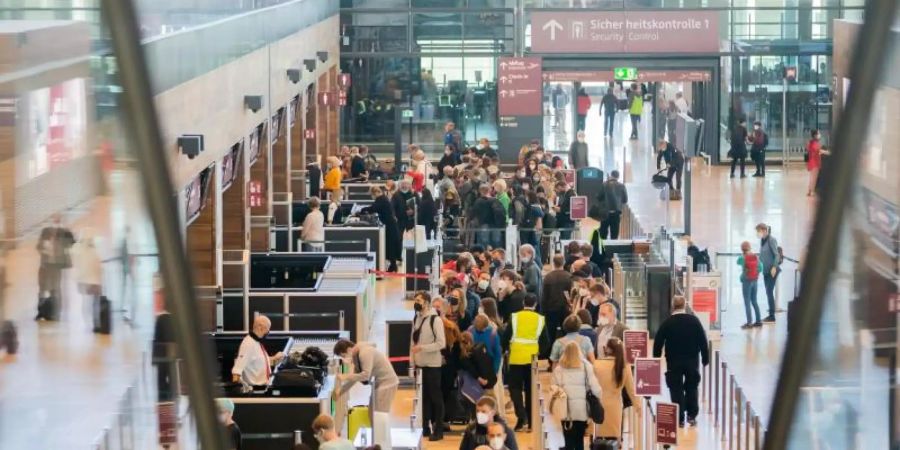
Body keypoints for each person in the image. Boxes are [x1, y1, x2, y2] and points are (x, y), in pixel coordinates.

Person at [652, 296, 710, 427]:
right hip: (692, 361)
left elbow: (658, 341)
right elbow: (702, 340)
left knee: (675, 388)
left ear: (672, 306)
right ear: (685, 305)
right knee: (692, 387)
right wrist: (705, 358)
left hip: (673, 362)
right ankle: (692, 415)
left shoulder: (667, 322)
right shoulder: (694, 321)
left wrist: (656, 357)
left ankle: (679, 418)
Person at [502, 294, 544, 431]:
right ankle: (531, 422)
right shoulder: (540, 319)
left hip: (516, 357)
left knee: (515, 389)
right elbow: (546, 341)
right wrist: (539, 352)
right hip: (532, 359)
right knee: (531, 391)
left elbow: (506, 336)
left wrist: (505, 349)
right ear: (536, 304)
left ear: (523, 303)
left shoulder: (514, 317)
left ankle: (521, 415)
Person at [552, 341, 602, 450]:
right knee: (579, 439)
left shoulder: (559, 369)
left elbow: (554, 388)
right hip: (581, 409)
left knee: (568, 439)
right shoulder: (586, 366)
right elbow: (595, 387)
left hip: (565, 409)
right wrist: (599, 396)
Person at [411, 294, 447, 440]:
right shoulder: (416, 318)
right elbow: (412, 342)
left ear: (426, 303)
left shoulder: (435, 320)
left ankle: (439, 429)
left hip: (433, 365)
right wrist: (412, 363)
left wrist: (423, 348)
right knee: (424, 397)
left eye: (418, 301)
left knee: (435, 398)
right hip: (420, 365)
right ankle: (425, 427)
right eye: (415, 300)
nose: (416, 303)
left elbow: (441, 343)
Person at [333, 339, 400, 414]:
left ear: (349, 350)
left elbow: (365, 376)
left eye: (344, 356)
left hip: (387, 383)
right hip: (379, 383)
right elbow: (355, 377)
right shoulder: (356, 356)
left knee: (379, 415)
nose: (345, 359)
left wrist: (346, 376)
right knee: (371, 413)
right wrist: (340, 391)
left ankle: (380, 426)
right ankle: (375, 425)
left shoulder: (364, 352)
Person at [592, 337, 639, 441]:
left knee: (598, 440)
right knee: (613, 440)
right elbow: (631, 390)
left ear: (607, 349)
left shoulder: (597, 364)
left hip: (597, 407)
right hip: (615, 407)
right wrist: (638, 407)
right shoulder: (624, 366)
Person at [35, 213, 75, 321]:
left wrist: (67, 230)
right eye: (54, 219)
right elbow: (38, 246)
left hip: (56, 265)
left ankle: (56, 312)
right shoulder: (45, 232)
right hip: (45, 264)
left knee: (55, 289)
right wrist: (44, 250)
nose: (55, 221)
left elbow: (72, 242)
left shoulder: (63, 232)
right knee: (42, 288)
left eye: (57, 219)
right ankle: (40, 311)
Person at [232, 315, 284, 387]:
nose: (268, 331)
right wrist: (240, 394)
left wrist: (275, 358)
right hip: (256, 391)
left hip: (265, 386)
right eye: (267, 328)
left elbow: (259, 362)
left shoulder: (257, 342)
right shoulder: (248, 343)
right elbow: (237, 370)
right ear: (260, 327)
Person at [362, 186, 402, 272]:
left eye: (372, 195)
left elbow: (373, 208)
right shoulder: (383, 198)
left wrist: (362, 210)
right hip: (390, 224)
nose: (372, 197)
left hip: (390, 225)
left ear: (375, 193)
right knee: (391, 245)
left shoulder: (381, 199)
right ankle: (393, 265)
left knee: (390, 245)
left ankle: (393, 266)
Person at [72, 231, 103, 326]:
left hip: (90, 281)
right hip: (92, 282)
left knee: (89, 302)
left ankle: (91, 322)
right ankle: (93, 322)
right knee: (91, 302)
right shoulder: (91, 251)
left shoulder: (83, 251)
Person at [541, 255, 572, 347]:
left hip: (551, 309)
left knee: (550, 333)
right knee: (567, 332)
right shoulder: (569, 277)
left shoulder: (548, 277)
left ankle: (550, 354)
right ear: (564, 262)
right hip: (565, 309)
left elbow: (544, 296)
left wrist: (543, 311)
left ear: (553, 263)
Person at [756, 223, 782, 323]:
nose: (758, 233)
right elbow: (763, 255)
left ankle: (772, 316)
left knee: (769, 292)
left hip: (772, 270)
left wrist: (774, 267)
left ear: (764, 231)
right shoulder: (762, 241)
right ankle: (771, 315)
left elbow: (776, 255)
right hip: (765, 271)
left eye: (759, 231)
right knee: (768, 292)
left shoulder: (771, 240)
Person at [737, 241, 763, 329]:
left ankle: (749, 323)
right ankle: (758, 321)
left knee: (747, 302)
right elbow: (761, 268)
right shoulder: (755, 256)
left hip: (747, 282)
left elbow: (738, 262)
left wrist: (742, 277)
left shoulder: (742, 257)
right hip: (755, 280)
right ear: (750, 247)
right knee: (754, 301)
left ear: (742, 249)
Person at [599, 170, 628, 239]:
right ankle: (613, 249)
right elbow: (625, 200)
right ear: (618, 177)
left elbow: (599, 197)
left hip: (605, 212)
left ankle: (603, 248)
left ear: (611, 175)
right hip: (616, 213)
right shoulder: (622, 186)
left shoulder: (604, 184)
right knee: (614, 234)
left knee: (603, 233)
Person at [806, 129, 829, 196]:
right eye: (819, 134)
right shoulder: (815, 143)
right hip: (815, 163)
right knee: (814, 178)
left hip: (812, 163)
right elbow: (819, 151)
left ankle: (810, 191)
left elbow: (812, 151)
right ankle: (812, 191)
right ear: (815, 135)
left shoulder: (811, 142)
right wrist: (828, 152)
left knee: (812, 177)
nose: (820, 135)